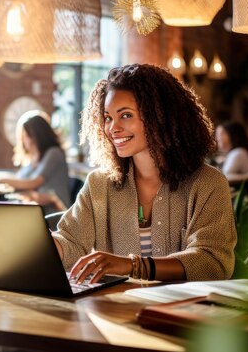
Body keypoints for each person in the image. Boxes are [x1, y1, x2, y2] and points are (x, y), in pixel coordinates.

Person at [51, 63, 236, 284]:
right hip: (117, 309)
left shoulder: (207, 183)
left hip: (186, 313)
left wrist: (132, 266)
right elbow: (71, 242)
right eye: (108, 117)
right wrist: (38, 244)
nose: (113, 128)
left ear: (161, 117)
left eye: (126, 115)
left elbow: (212, 263)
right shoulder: (99, 184)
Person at [0, 110, 71, 216]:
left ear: (37, 136)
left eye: (26, 135)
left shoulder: (54, 153)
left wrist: (3, 180)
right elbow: (22, 181)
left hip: (54, 213)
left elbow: (34, 182)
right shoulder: (33, 159)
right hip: (36, 210)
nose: (24, 140)